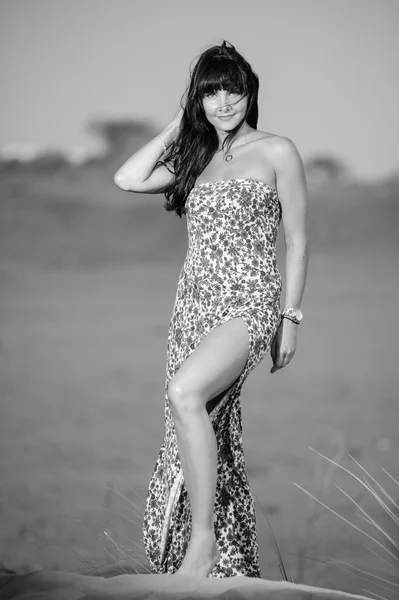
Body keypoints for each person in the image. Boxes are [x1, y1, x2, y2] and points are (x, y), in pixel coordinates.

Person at [114, 40, 309, 579]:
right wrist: (181, 121)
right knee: (199, 422)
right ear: (198, 100)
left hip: (250, 301)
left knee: (185, 392)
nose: (224, 102)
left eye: (233, 90)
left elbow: (296, 238)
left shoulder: (277, 151)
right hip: (194, 306)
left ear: (251, 92)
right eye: (211, 92)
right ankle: (225, 561)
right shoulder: (195, 159)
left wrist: (289, 318)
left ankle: (202, 543)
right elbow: (127, 178)